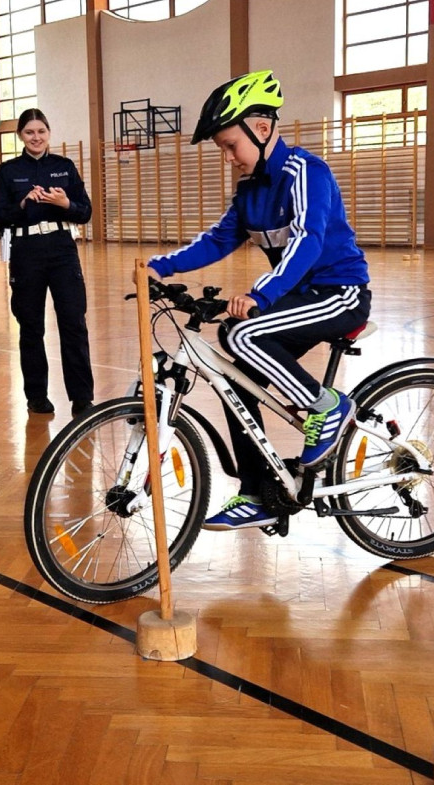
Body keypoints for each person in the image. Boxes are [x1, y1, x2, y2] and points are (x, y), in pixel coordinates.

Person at [144, 70, 370, 531]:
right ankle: (258, 492)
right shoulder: (250, 192)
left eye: (231, 146)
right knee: (237, 380)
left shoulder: (306, 172)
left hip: (339, 293)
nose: (229, 158)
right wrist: (160, 267)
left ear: (262, 128)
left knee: (241, 333)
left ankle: (327, 407)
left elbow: (307, 241)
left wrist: (260, 294)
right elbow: (218, 239)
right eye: (223, 149)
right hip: (299, 298)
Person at [0, 108, 95, 417]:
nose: (36, 137)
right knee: (31, 326)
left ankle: (82, 398)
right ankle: (36, 396)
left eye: (41, 131)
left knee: (73, 322)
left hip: (62, 251)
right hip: (26, 252)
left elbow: (85, 212)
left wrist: (65, 203)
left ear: (49, 133)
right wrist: (22, 203)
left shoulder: (64, 167)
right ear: (21, 135)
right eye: (30, 132)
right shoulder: (9, 170)